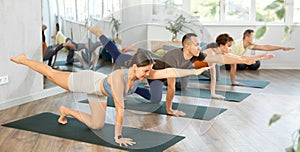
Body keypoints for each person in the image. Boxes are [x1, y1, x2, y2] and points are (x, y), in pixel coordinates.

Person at [10, 51, 209, 147]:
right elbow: (120, 110)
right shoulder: (118, 78)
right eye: (145, 71)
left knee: (96, 125)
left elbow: (170, 70)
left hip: (99, 92)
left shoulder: (142, 73)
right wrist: (117, 137)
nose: (147, 75)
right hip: (87, 81)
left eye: (149, 71)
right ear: (134, 67)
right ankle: (24, 59)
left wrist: (195, 70)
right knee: (51, 73)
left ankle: (66, 111)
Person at [88, 26, 264, 117]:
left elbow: (221, 59)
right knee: (119, 58)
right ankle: (101, 35)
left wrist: (247, 59)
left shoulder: (196, 55)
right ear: (187, 46)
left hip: (157, 76)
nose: (199, 46)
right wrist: (170, 109)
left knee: (155, 99)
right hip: (150, 64)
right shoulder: (174, 57)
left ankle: (132, 89)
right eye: (196, 44)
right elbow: (171, 86)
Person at [203, 34, 274, 99]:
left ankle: (201, 71)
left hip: (206, 60)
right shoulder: (211, 53)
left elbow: (241, 57)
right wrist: (247, 61)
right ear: (221, 46)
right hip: (195, 60)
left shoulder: (220, 52)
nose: (231, 48)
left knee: (215, 76)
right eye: (229, 46)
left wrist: (260, 57)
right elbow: (236, 60)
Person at [230, 29, 295, 86]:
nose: (254, 39)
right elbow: (234, 63)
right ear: (247, 37)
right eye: (252, 37)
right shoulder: (237, 45)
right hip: (223, 59)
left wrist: (281, 48)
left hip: (230, 59)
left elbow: (265, 47)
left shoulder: (248, 45)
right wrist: (260, 57)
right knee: (236, 63)